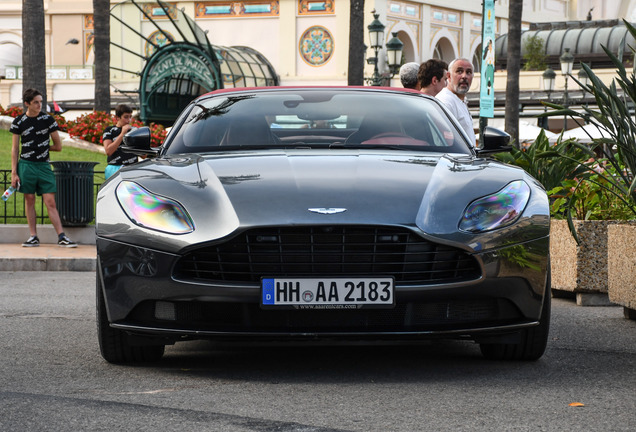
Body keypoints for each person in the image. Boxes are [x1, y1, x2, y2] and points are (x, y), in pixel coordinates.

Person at [10, 88, 77, 248]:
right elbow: (14, 149)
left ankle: (61, 236)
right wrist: (14, 172)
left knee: (50, 201)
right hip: (26, 166)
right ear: (27, 103)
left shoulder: (48, 120)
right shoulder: (18, 122)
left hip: (44, 166)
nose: (40, 105)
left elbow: (58, 146)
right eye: (36, 102)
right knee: (30, 200)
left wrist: (42, 149)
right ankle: (33, 237)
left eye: (41, 101)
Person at [436, 58, 476, 146]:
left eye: (468, 72)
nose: (464, 76)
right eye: (459, 71)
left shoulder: (460, 100)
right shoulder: (446, 101)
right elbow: (446, 140)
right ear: (449, 76)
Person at [102, 104, 138, 180]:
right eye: (125, 117)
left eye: (130, 117)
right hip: (115, 168)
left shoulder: (134, 131)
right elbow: (108, 151)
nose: (129, 120)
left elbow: (143, 155)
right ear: (117, 117)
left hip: (132, 168)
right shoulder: (109, 130)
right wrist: (122, 134)